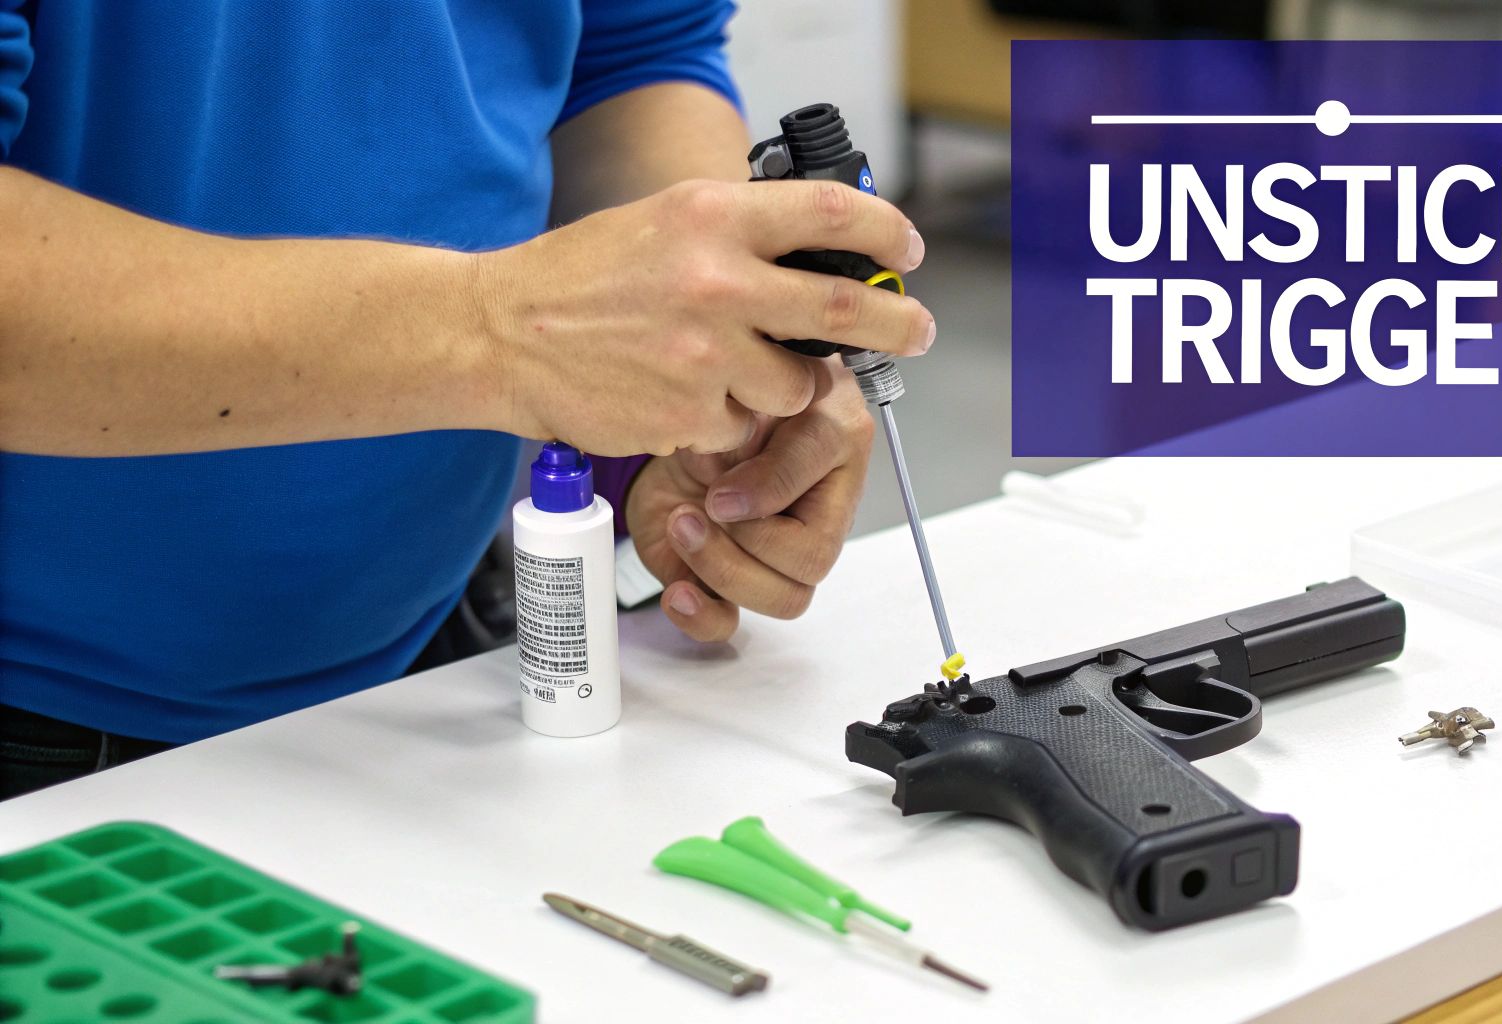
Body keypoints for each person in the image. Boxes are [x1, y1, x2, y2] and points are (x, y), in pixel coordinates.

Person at [0, 1, 936, 797]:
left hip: (430, 648)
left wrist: (709, 341)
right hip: (37, 721)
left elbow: (633, 51)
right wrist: (498, 334)